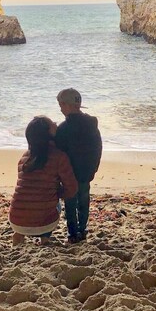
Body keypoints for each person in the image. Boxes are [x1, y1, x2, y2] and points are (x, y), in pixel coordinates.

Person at [8, 116, 78, 246]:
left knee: (29, 196)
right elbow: (72, 188)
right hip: (44, 224)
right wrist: (58, 193)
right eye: (53, 124)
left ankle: (18, 235)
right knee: (53, 202)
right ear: (49, 134)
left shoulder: (25, 157)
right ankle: (45, 237)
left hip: (15, 220)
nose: (56, 124)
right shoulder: (59, 157)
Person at [53, 88, 102, 244]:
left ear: (67, 105)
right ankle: (82, 229)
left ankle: (72, 232)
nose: (60, 109)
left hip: (69, 172)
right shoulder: (91, 125)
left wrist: (58, 173)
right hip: (86, 170)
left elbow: (58, 151)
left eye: (61, 105)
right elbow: (97, 148)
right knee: (83, 201)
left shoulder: (63, 128)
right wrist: (94, 167)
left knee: (70, 202)